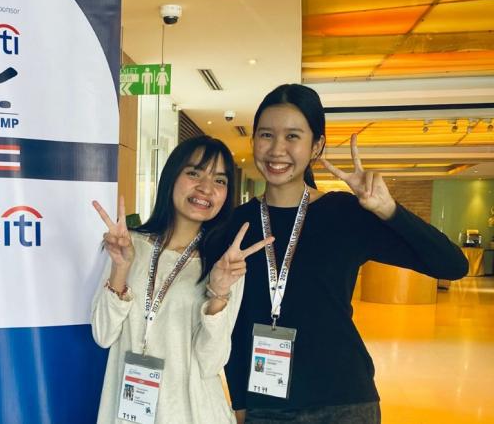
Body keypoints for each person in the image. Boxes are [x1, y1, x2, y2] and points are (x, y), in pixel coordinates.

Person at [224, 84, 468, 423]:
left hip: (344, 403)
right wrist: (238, 400)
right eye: (266, 134)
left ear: (317, 145)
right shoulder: (237, 223)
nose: (277, 149)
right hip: (266, 405)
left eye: (293, 136)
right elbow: (233, 324)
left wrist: (389, 210)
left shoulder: (345, 214)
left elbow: (452, 264)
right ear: (253, 140)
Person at [90, 135, 273, 424]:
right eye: (194, 173)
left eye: (220, 181)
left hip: (193, 412)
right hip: (128, 412)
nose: (205, 188)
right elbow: (103, 335)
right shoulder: (127, 246)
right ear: (172, 176)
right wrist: (122, 268)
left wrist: (219, 294)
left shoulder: (225, 265)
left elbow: (211, 362)